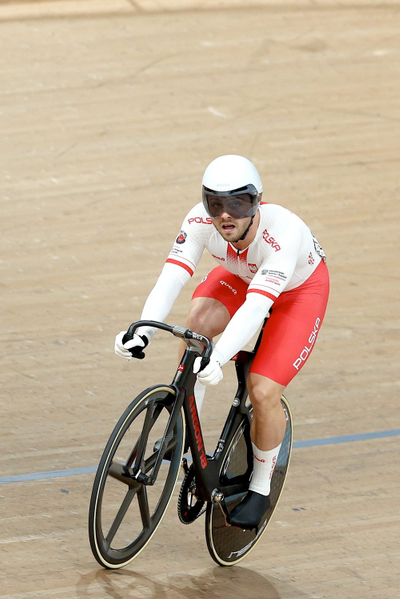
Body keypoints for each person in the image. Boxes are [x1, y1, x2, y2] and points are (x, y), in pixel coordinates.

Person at [113, 154, 329, 530]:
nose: (226, 215)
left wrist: (222, 356)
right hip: (242, 276)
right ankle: (184, 432)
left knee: (262, 391)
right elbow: (171, 278)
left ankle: (260, 488)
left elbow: (258, 306)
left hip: (298, 293)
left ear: (256, 201)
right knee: (195, 327)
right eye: (216, 204)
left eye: (238, 204)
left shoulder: (283, 234)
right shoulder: (199, 221)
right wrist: (141, 331)